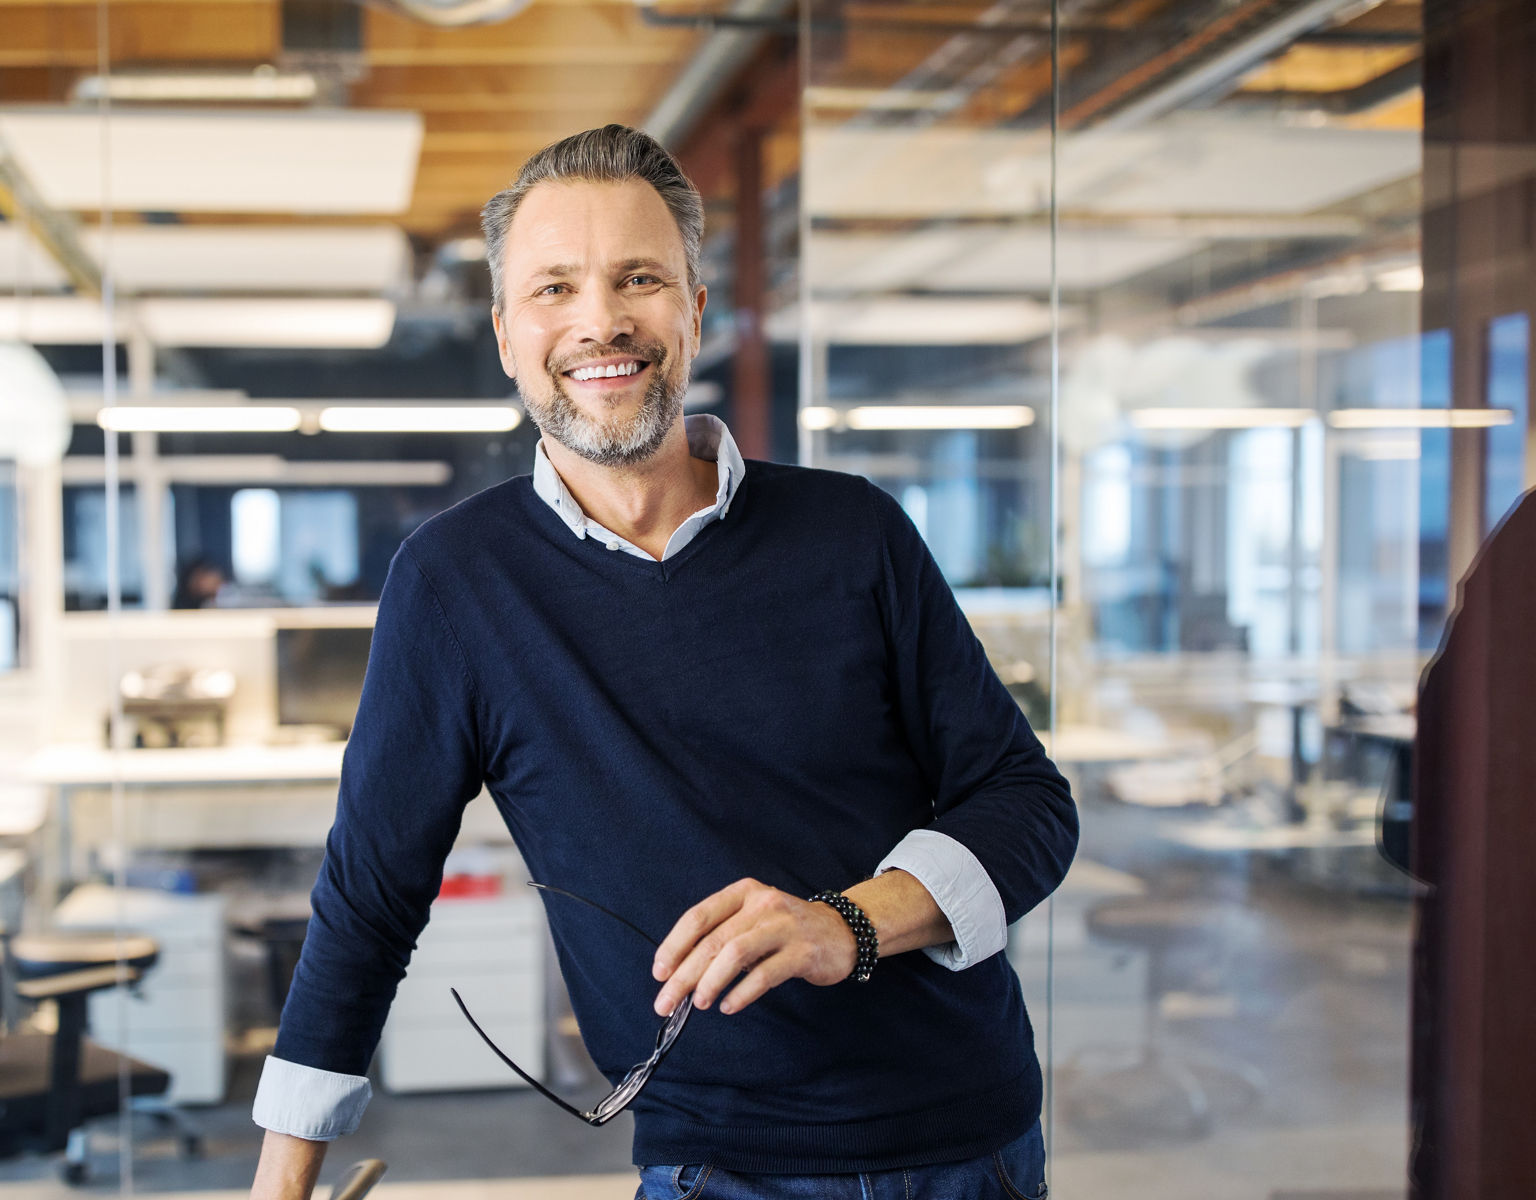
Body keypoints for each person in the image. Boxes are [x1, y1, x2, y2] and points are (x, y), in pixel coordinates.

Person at [249, 124, 1077, 1200]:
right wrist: (280, 1185)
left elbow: (1025, 805)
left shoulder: (853, 533)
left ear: (690, 311)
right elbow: (370, 898)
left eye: (637, 278)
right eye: (554, 288)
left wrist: (847, 924)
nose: (599, 321)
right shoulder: (456, 583)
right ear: (505, 334)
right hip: (714, 1169)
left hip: (968, 1145)